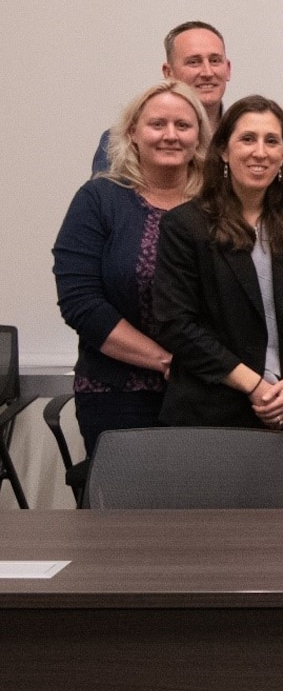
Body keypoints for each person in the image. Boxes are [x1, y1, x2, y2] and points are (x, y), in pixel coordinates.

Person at [151, 96, 283, 691]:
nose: (260, 150)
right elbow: (176, 323)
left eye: (272, 141)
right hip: (210, 416)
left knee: (273, 571)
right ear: (221, 149)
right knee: (198, 576)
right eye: (247, 138)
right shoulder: (186, 227)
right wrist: (253, 382)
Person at [54, 81, 209, 455]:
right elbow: (81, 302)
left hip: (211, 395)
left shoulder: (219, 204)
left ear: (200, 137)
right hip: (118, 396)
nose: (170, 135)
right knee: (130, 513)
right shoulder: (99, 199)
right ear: (132, 133)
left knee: (207, 512)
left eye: (183, 126)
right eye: (158, 124)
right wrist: (167, 361)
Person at [93, 21, 230, 173]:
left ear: (228, 69)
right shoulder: (122, 142)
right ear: (168, 73)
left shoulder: (245, 139)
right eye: (194, 62)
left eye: (215, 61)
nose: (207, 73)